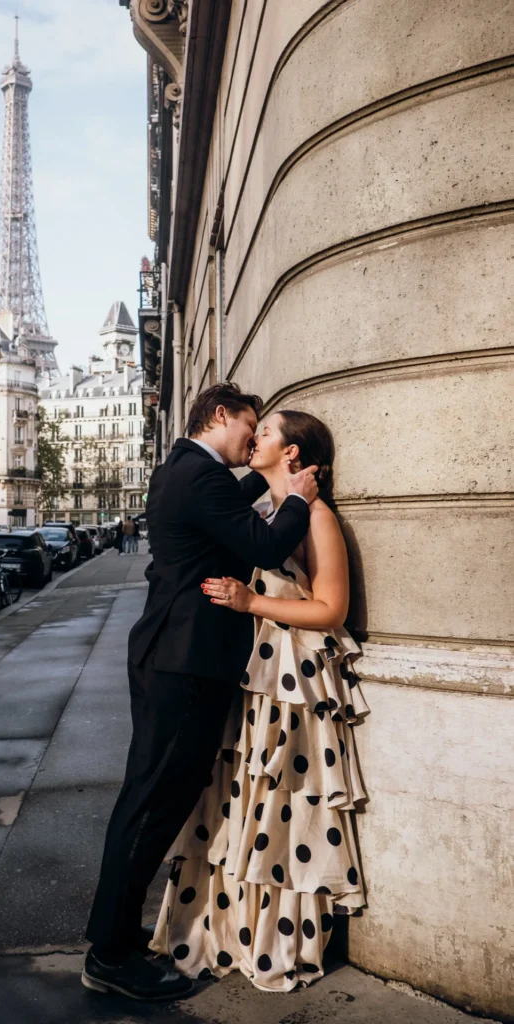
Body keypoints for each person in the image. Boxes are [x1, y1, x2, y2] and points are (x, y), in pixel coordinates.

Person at [83, 383, 318, 1000]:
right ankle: (108, 955)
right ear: (221, 415)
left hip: (170, 655)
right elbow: (263, 542)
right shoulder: (200, 476)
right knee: (154, 801)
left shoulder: (183, 470)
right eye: (250, 422)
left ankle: (114, 937)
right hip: (185, 663)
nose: (253, 434)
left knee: (149, 797)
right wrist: (297, 499)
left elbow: (227, 510)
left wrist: (262, 483)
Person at [151, 410, 369, 992]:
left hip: (292, 686)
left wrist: (251, 604)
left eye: (266, 431)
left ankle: (276, 941)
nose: (255, 439)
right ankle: (235, 930)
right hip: (256, 679)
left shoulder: (316, 517)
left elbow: (331, 611)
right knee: (246, 806)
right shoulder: (266, 513)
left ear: (292, 454)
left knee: (282, 811)